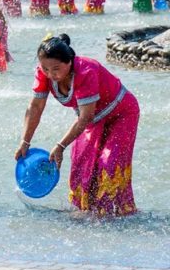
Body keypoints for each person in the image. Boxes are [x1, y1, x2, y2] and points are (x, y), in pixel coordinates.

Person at [16, 35, 139, 217]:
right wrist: (25, 141)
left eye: (56, 69)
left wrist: (61, 145)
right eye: (45, 69)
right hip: (92, 118)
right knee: (82, 164)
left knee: (109, 163)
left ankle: (117, 213)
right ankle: (87, 211)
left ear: (70, 62)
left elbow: (85, 117)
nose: (51, 74)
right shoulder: (44, 73)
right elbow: (35, 107)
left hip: (121, 114)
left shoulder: (85, 71)